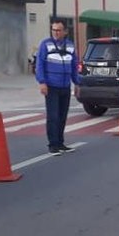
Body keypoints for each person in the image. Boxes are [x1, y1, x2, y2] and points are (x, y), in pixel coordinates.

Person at [35, 19, 81, 154]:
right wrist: (42, 82)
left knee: (62, 115)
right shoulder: (45, 45)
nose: (56, 32)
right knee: (53, 116)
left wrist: (76, 83)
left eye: (59, 30)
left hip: (65, 86)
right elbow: (39, 65)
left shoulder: (70, 46)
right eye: (54, 30)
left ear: (65, 32)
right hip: (51, 86)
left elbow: (74, 66)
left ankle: (60, 143)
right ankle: (53, 144)